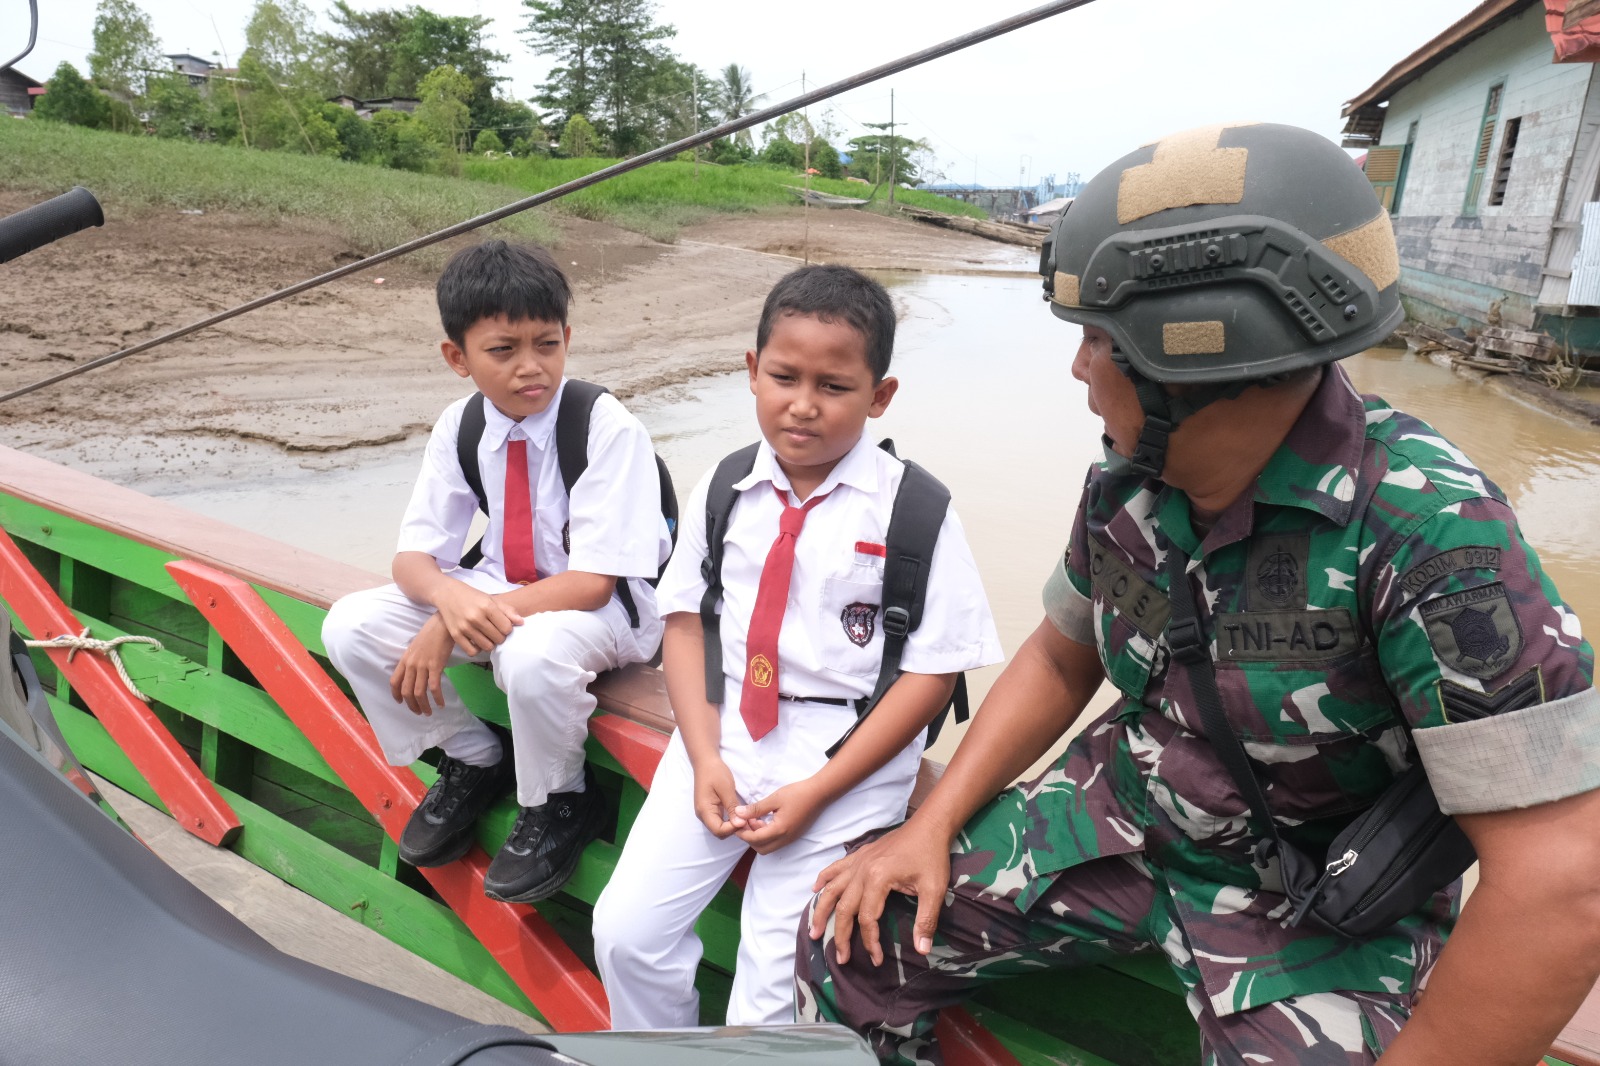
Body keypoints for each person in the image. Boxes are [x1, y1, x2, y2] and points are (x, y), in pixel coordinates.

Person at [798, 122, 1600, 1065]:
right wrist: (928, 827)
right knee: (850, 937)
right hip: (1120, 813)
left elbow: (1560, 877)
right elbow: (1063, 651)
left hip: (1316, 901)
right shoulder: (1132, 480)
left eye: (1100, 341)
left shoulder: (1432, 534)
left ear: (1198, 361)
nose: (1077, 369)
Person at [592, 264, 1003, 1028]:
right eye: (783, 376)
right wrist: (706, 752)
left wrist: (818, 790)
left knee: (773, 994)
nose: (803, 405)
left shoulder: (913, 509)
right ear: (752, 373)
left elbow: (934, 673)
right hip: (726, 733)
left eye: (835, 386)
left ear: (880, 396)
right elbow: (685, 622)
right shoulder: (727, 487)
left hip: (844, 754)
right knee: (625, 934)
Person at [322, 240, 669, 904]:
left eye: (546, 344)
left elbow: (593, 582)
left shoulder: (605, 427)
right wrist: (448, 600)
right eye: (503, 350)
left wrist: (450, 627)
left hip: (603, 606)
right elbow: (413, 558)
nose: (529, 367)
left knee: (533, 658)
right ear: (459, 357)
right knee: (351, 627)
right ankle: (473, 756)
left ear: (567, 338)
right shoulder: (461, 425)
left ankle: (560, 799)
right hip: (501, 586)